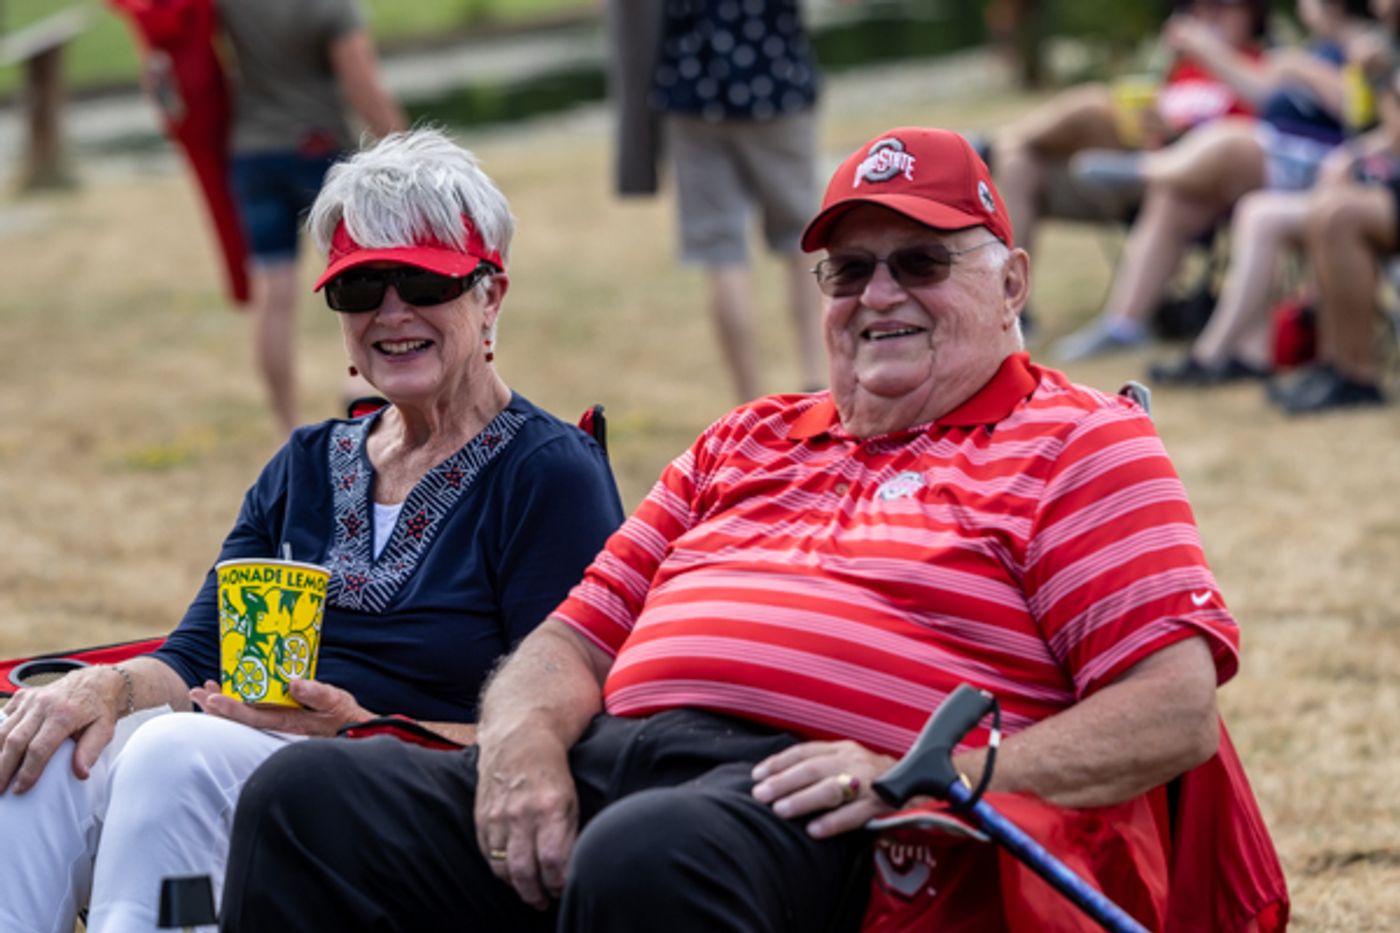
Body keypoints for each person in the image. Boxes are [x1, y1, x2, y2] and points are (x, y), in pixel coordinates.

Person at [217, 128, 1284, 931]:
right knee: (309, 798)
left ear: (1010, 284)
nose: (877, 294)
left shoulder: (1073, 442)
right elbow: (572, 639)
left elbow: (1170, 713)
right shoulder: (747, 437)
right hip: (615, 761)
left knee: (649, 853)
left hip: (836, 808)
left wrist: (940, 773)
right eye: (847, 269)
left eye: (918, 262)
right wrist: (523, 744)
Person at [0, 128, 624, 933]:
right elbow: (195, 655)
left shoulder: (548, 474)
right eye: (360, 288)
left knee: (172, 755)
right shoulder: (305, 462)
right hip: (245, 758)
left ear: (490, 296)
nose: (390, 313)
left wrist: (358, 726)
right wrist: (102, 689)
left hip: (424, 801)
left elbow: (581, 729)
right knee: (38, 754)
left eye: (421, 282)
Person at [1054, 0, 1378, 361]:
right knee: (1176, 196)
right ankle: (1124, 324)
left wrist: (1298, 70)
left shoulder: (1366, 45)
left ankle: (1140, 170)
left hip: (1326, 166)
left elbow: (1359, 111)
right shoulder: (1318, 48)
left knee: (1232, 139)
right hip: (1257, 167)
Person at [218, 0, 407, 435]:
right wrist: (407, 153)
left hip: (252, 154)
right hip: (318, 149)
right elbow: (365, 87)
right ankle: (359, 387)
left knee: (273, 291)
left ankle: (287, 425)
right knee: (369, 275)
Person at [988, 0, 1268, 265]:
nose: (1207, 13)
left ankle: (991, 145)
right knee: (1018, 162)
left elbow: (1245, 140)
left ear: (1253, 10)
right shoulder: (1185, 69)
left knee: (1093, 104)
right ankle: (1011, 305)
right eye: (1198, 5)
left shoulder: (1261, 71)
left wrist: (1178, 129)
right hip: (1118, 169)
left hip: (1181, 177)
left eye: (1223, 4)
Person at [646, 0, 826, 401]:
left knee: (721, 255)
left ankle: (748, 402)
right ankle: (817, 380)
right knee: (804, 238)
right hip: (777, 82)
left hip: (691, 91)